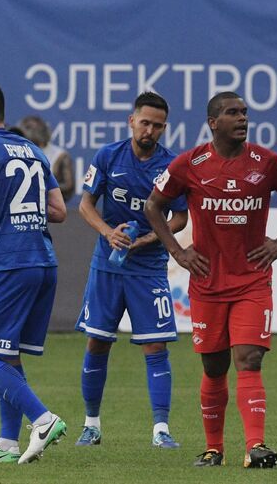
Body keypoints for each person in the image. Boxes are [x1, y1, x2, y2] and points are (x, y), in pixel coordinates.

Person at [145, 92, 277, 469]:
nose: (242, 119)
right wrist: (178, 252)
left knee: (248, 358)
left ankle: (255, 447)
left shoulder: (267, 163)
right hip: (208, 284)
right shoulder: (190, 164)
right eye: (233, 113)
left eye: (245, 113)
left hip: (252, 281)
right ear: (213, 122)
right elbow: (153, 205)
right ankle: (214, 449)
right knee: (214, 367)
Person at [0, 82, 68, 465]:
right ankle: (7, 444)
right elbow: (58, 210)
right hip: (44, 261)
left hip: (11, 261)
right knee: (7, 354)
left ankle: (42, 418)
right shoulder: (34, 150)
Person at [74, 92, 188, 449]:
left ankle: (161, 430)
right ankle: (91, 424)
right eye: (145, 123)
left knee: (155, 347)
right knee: (97, 342)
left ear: (164, 128)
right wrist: (108, 233)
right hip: (107, 266)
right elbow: (85, 205)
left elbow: (181, 217)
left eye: (157, 125)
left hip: (150, 268)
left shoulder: (172, 167)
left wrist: (149, 238)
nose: (149, 131)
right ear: (131, 121)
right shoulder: (109, 156)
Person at [18, 115, 75, 202]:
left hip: (51, 205)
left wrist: (40, 187)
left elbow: (68, 186)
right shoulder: (18, 152)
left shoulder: (60, 156)